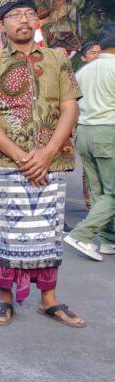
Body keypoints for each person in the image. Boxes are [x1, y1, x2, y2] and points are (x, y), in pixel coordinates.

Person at [0, 0, 84, 328]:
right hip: (9, 164)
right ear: (2, 24)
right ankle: (5, 298)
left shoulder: (58, 59)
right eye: (14, 15)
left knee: (48, 232)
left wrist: (47, 153)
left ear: (36, 20)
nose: (23, 20)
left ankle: (49, 300)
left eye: (28, 14)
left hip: (53, 161)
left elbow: (70, 107)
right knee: (6, 232)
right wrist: (23, 157)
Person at [63, 23, 115, 261]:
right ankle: (81, 235)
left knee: (98, 191)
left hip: (84, 133)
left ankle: (107, 240)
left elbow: (72, 104)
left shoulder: (84, 71)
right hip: (108, 132)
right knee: (112, 193)